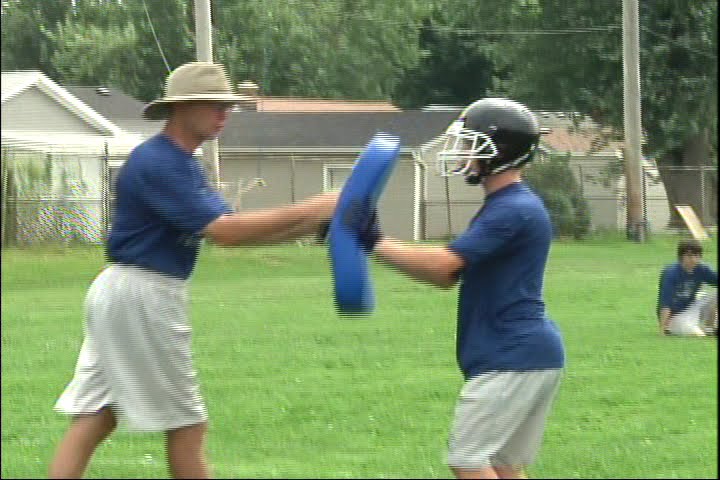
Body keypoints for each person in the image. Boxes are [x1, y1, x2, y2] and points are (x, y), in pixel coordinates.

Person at [49, 62, 338, 479]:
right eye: (215, 105)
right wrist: (319, 205)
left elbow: (228, 233)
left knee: (97, 414)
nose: (225, 113)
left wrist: (311, 225)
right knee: (188, 423)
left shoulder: (181, 163)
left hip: (120, 290)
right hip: (144, 293)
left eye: (229, 106)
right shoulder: (162, 163)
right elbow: (226, 232)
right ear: (181, 107)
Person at [347, 98, 565, 479]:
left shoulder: (512, 209)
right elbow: (446, 277)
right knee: (503, 465)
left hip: (510, 355)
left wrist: (375, 243)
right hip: (528, 353)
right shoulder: (510, 204)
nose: (462, 151)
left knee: (468, 460)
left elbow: (445, 264)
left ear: (499, 150)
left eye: (470, 142)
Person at [657, 239, 718, 336]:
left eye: (696, 256)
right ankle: (697, 330)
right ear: (681, 257)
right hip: (674, 316)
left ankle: (709, 327)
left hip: (691, 309)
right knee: (695, 333)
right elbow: (665, 303)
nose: (693, 259)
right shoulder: (671, 273)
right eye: (689, 256)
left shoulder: (702, 269)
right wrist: (662, 329)